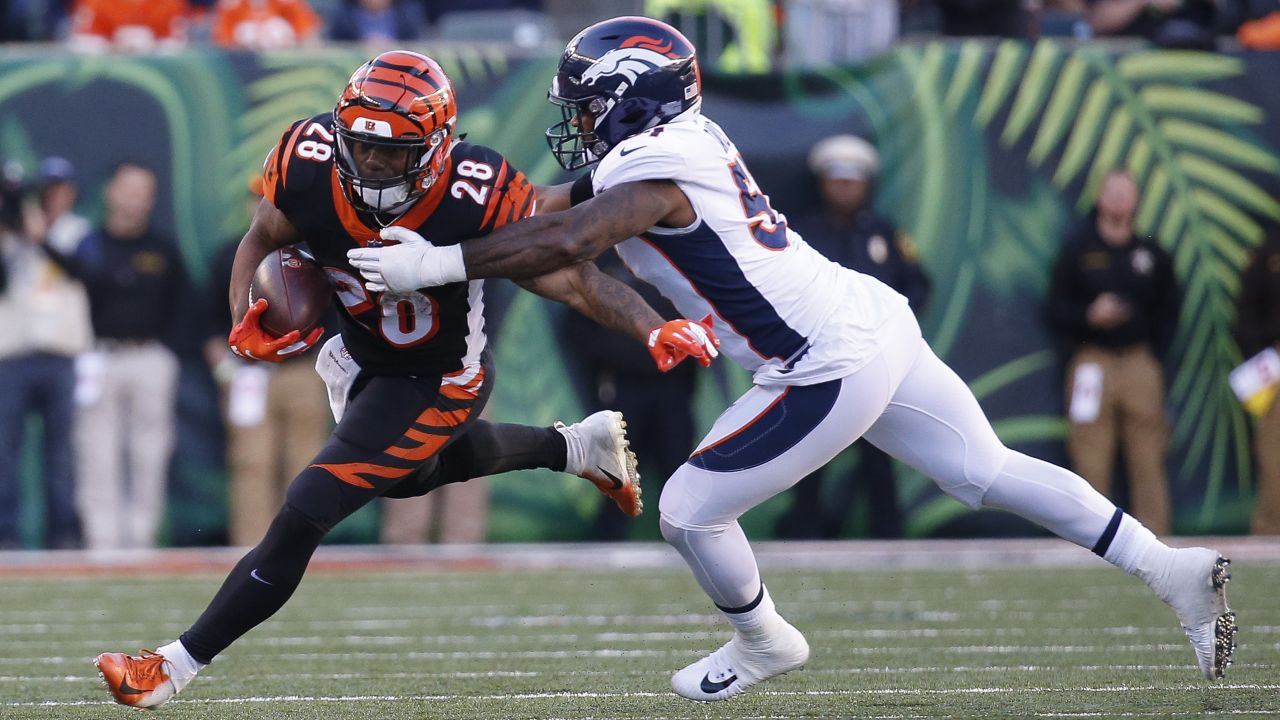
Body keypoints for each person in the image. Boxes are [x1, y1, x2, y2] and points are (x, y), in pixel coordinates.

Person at [347, 17, 1237, 700]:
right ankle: (1172, 570)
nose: (576, 120)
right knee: (988, 469)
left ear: (632, 98)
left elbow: (568, 238)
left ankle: (766, 639)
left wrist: (434, 264)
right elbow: (540, 208)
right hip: (867, 321)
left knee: (690, 512)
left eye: (586, 103)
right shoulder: (667, 144)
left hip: (825, 360)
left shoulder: (655, 169)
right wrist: (430, 205)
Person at [93, 49, 718, 710]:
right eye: (361, 148)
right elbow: (262, 235)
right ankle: (571, 448)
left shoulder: (474, 192)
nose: (373, 165)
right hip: (361, 358)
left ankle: (171, 665)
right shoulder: (307, 160)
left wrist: (651, 325)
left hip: (442, 374)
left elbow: (572, 276)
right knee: (408, 475)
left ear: (437, 147)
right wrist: (240, 313)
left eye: (393, 154)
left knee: (310, 502)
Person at [776, 134, 931, 539]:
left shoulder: (883, 232)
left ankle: (888, 533)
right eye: (837, 179)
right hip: (818, 360)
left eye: (853, 180)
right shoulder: (799, 233)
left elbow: (918, 287)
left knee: (880, 452)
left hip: (876, 360)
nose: (845, 187)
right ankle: (803, 531)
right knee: (810, 451)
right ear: (822, 182)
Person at [42, 161, 187, 551]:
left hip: (150, 355)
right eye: (130, 188)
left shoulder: (162, 246)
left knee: (149, 451)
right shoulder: (88, 243)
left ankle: (141, 538)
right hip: (98, 357)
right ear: (111, 191)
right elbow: (70, 284)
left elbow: (182, 303)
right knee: (95, 450)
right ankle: (102, 540)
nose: (137, 198)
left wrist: (169, 353)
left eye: (145, 191)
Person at [1045, 170, 1180, 535]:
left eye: (1127, 192)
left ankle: (1156, 539)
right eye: (1112, 191)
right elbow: (1054, 309)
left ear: (1136, 200)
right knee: (1090, 455)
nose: (1119, 199)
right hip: (1093, 360)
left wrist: (1154, 351)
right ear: (1099, 197)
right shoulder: (1079, 250)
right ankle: (1091, 536)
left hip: (1139, 360)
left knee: (1148, 456)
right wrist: (1089, 316)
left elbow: (1170, 309)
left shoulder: (1151, 252)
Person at [0, 158, 93, 549]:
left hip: (62, 354)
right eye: (48, 188)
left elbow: (80, 270)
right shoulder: (10, 234)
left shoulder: (80, 231)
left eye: (62, 187)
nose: (55, 195)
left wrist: (40, 237)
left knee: (61, 455)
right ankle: (6, 534)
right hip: (13, 355)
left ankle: (64, 535)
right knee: (6, 452)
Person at [1234, 228, 1280, 535]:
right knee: (1273, 452)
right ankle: (1269, 532)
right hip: (1275, 359)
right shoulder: (1268, 252)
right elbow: (1245, 312)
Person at [67, 0, 190, 53]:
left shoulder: (168, 3)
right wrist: (113, 48)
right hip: (106, 77)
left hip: (156, 75)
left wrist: (151, 47)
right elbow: (82, 45)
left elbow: (177, 49)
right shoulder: (96, 2)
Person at [210, 0, 321, 51]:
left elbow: (306, 27)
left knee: (276, 28)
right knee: (247, 30)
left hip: (283, 53)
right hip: (244, 57)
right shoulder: (233, 4)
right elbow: (222, 36)